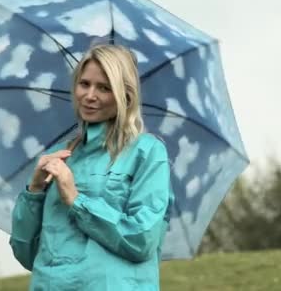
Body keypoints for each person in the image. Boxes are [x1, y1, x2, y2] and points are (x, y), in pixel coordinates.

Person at [9, 44, 173, 290]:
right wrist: (34, 192)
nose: (90, 95)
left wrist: (76, 199)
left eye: (104, 88)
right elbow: (27, 252)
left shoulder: (147, 152)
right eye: (84, 84)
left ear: (125, 96)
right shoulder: (62, 157)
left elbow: (142, 239)